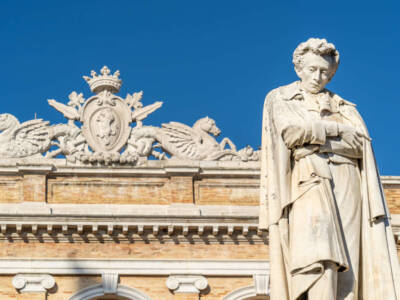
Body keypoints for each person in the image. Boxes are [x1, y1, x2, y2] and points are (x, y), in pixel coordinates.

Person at [259, 38, 400, 300]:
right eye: (312, 69)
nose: (318, 76)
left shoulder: (345, 108)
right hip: (308, 180)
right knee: (317, 250)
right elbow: (291, 133)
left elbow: (360, 146)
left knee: (348, 258)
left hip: (347, 180)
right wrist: (335, 130)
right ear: (299, 69)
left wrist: (316, 138)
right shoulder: (281, 98)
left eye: (324, 71)